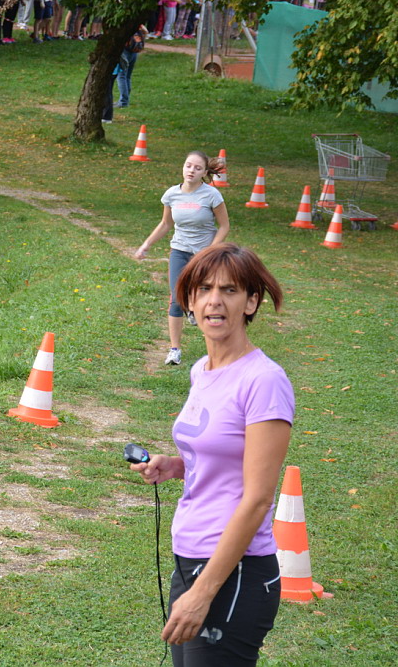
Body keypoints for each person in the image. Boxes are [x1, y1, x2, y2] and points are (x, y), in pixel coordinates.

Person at [130, 243, 292, 666]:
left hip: (235, 571)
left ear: (251, 302)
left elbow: (258, 498)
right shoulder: (201, 369)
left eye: (230, 290)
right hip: (190, 556)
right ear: (189, 300)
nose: (214, 300)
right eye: (203, 289)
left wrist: (203, 592)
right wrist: (176, 466)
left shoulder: (264, 381)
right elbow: (224, 454)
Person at [134, 151, 229, 366]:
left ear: (204, 172)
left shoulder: (212, 195)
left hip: (204, 255)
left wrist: (210, 251)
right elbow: (166, 224)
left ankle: (214, 342)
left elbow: (224, 226)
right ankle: (174, 350)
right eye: (188, 166)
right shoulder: (171, 194)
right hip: (180, 250)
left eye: (197, 168)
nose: (191, 171)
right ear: (183, 167)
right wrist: (146, 245)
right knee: (176, 298)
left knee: (206, 299)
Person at [115, 24, 147, 108]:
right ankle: (124, 100)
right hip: (133, 51)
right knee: (127, 77)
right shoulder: (136, 24)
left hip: (125, 50)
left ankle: (123, 102)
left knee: (121, 76)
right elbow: (145, 31)